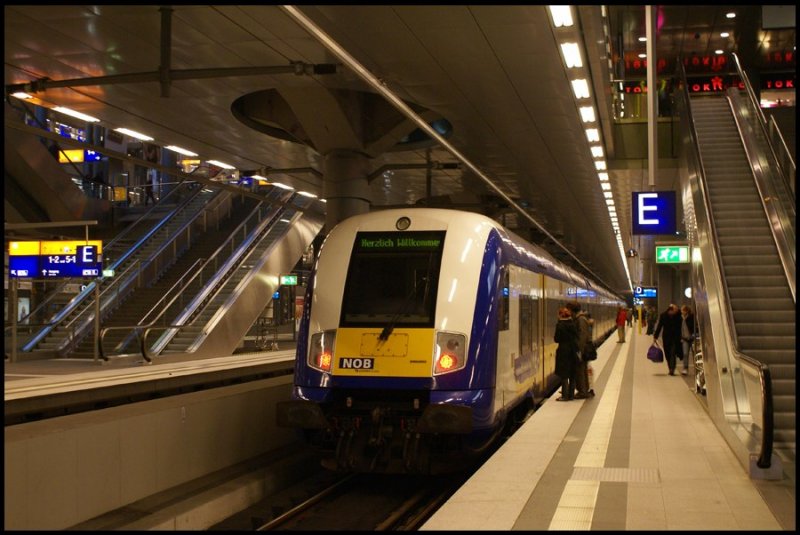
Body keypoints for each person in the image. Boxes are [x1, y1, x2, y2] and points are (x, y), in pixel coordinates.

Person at [567, 302, 595, 399]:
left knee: (580, 371)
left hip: (582, 350)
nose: (568, 312)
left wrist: (579, 351)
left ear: (572, 310)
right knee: (582, 370)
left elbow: (582, 337)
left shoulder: (581, 320)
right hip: (582, 350)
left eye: (569, 310)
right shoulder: (580, 319)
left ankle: (582, 391)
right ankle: (584, 390)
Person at [554, 306, 579, 401]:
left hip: (564, 351)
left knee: (564, 374)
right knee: (572, 373)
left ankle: (564, 395)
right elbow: (576, 336)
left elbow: (556, 339)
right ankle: (571, 395)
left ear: (560, 315)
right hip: (573, 350)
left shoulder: (560, 325)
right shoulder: (572, 324)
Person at [653, 304, 683, 375]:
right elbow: (659, 326)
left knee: (673, 353)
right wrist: (655, 336)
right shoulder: (663, 316)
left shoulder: (677, 316)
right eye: (674, 310)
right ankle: (670, 367)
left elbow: (680, 316)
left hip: (675, 338)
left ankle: (672, 369)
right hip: (666, 337)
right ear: (670, 310)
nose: (676, 312)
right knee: (667, 353)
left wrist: (677, 309)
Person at [680, 305, 696, 376]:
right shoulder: (680, 318)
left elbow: (695, 326)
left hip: (692, 338)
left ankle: (696, 369)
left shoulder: (691, 317)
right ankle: (685, 368)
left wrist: (694, 334)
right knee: (685, 354)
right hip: (684, 339)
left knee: (694, 354)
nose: (682, 312)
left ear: (686, 311)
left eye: (683, 310)